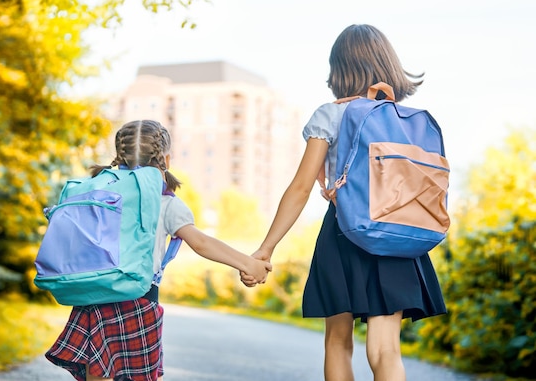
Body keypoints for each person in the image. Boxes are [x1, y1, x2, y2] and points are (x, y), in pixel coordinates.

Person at [241, 24, 447, 381]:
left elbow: (301, 187)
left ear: (339, 68)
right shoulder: (406, 120)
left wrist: (266, 248)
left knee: (338, 342)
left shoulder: (331, 114)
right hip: (400, 234)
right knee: (387, 349)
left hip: (346, 233)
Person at [45, 119, 272, 381]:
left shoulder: (98, 193)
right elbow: (201, 243)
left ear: (119, 156)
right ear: (166, 159)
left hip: (93, 299)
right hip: (139, 302)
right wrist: (248, 264)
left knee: (98, 375)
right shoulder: (165, 203)